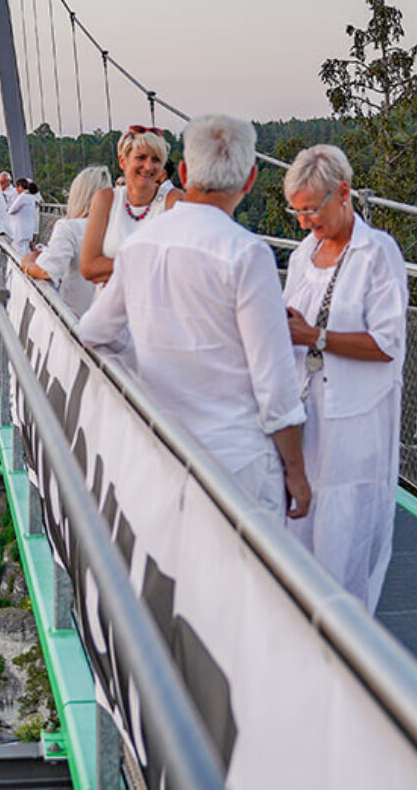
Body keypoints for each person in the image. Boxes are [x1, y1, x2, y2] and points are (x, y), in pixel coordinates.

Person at [79, 114, 310, 518]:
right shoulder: (248, 254)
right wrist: (296, 472)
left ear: (183, 172)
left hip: (160, 452)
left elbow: (93, 332)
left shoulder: (138, 247)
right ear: (250, 179)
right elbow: (274, 383)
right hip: (238, 465)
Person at [280, 145, 408, 611]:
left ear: (344, 193)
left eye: (311, 209)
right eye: (297, 211)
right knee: (297, 536)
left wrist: (316, 335)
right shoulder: (302, 254)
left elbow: (387, 344)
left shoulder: (378, 254)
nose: (304, 221)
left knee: (344, 541)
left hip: (354, 426)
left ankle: (347, 654)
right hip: (303, 417)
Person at [80, 126, 183, 286]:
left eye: (156, 160)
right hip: (108, 307)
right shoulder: (106, 199)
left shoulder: (173, 200)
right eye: (141, 158)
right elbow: (88, 268)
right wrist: (149, 263)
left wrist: (110, 268)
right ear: (123, 161)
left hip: (153, 307)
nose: (148, 167)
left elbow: (175, 267)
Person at [21, 166, 108, 315]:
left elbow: (47, 271)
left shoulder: (69, 228)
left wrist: (27, 263)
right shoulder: (118, 227)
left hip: (77, 322)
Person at [6, 177, 40, 249]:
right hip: (28, 230)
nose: (16, 189)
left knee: (17, 252)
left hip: (19, 231)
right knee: (25, 250)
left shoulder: (22, 197)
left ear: (20, 187)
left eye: (17, 187)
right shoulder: (31, 197)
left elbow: (11, 210)